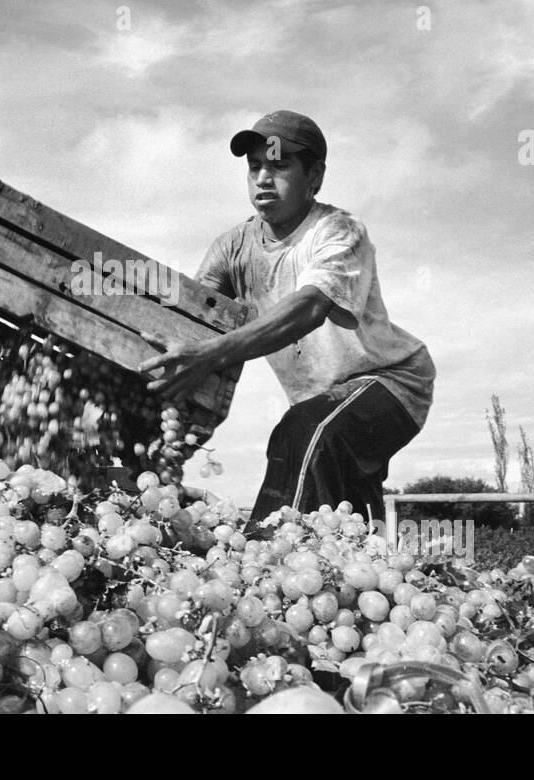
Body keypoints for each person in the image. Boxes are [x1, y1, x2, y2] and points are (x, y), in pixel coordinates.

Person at [140, 110, 434, 525]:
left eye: (279, 166)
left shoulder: (338, 231)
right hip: (323, 402)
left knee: (303, 433)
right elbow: (197, 324)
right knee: (347, 512)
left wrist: (209, 355)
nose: (263, 178)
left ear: (314, 176)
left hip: (392, 382)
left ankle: (262, 560)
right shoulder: (231, 249)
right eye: (255, 167)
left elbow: (310, 307)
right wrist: (182, 416)